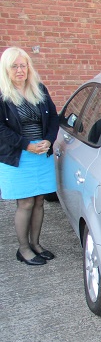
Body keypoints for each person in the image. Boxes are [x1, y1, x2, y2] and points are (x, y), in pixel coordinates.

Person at [0, 47, 59, 266]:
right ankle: (23, 249)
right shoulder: (2, 94)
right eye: (14, 66)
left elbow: (53, 117)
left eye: (23, 65)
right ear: (6, 69)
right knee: (25, 203)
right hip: (17, 156)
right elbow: (1, 130)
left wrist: (49, 140)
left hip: (41, 155)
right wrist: (26, 145)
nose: (19, 70)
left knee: (39, 201)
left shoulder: (39, 89)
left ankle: (36, 244)